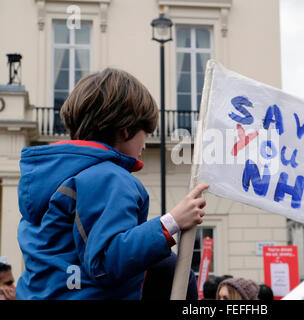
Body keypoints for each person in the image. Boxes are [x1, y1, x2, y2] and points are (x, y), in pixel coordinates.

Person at [16, 68, 209, 299]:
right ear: (126, 131)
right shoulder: (109, 177)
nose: (144, 145)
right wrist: (171, 222)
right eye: (145, 134)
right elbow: (105, 261)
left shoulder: (55, 175)